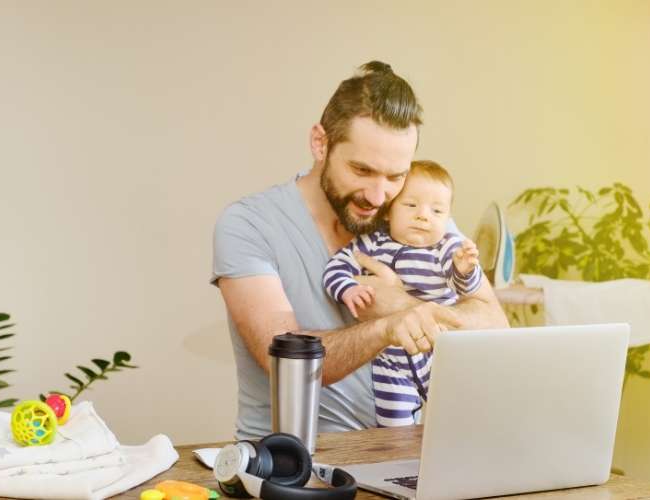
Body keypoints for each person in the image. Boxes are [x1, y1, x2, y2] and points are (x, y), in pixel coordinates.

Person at [211, 60, 508, 440]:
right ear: (321, 143)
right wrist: (385, 325)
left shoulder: (415, 215)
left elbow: (495, 326)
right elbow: (284, 360)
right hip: (292, 462)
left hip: (404, 453)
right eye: (362, 171)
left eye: (396, 176)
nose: (378, 196)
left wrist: (402, 305)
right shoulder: (249, 224)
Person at [322, 160, 482, 427]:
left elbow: (463, 287)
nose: (423, 216)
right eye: (411, 205)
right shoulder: (371, 243)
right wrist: (347, 288)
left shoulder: (445, 247)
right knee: (395, 426)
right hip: (390, 359)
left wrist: (464, 270)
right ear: (388, 212)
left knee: (460, 418)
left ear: (447, 218)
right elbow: (336, 267)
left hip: (439, 354)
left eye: (437, 210)